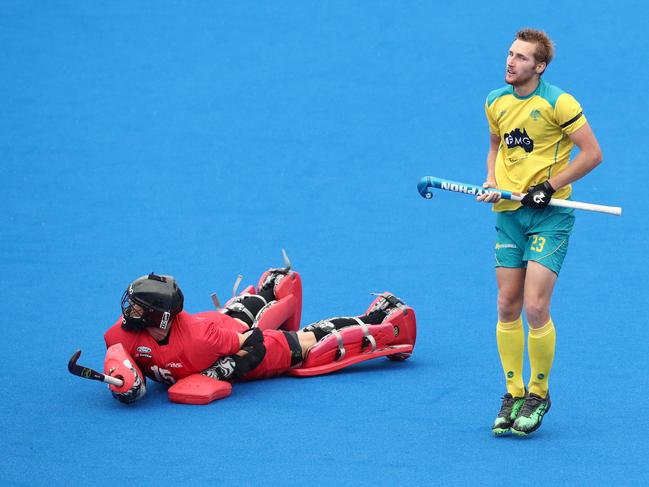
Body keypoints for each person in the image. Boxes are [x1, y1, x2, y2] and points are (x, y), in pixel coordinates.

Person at [478, 28, 603, 436]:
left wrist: (548, 187)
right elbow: (497, 146)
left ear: (540, 66)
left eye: (521, 57)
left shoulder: (558, 102)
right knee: (506, 304)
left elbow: (592, 153)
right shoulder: (495, 101)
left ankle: (539, 392)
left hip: (551, 215)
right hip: (509, 213)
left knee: (534, 307)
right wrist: (490, 181)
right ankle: (513, 394)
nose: (510, 62)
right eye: (510, 53)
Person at [103, 260, 416, 405]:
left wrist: (226, 370)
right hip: (222, 322)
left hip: (235, 345)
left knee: (308, 346)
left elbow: (253, 344)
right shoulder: (123, 334)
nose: (129, 313)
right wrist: (124, 381)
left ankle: (388, 321)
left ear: (158, 316)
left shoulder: (200, 339)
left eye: (137, 308)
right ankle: (274, 287)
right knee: (234, 315)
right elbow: (117, 356)